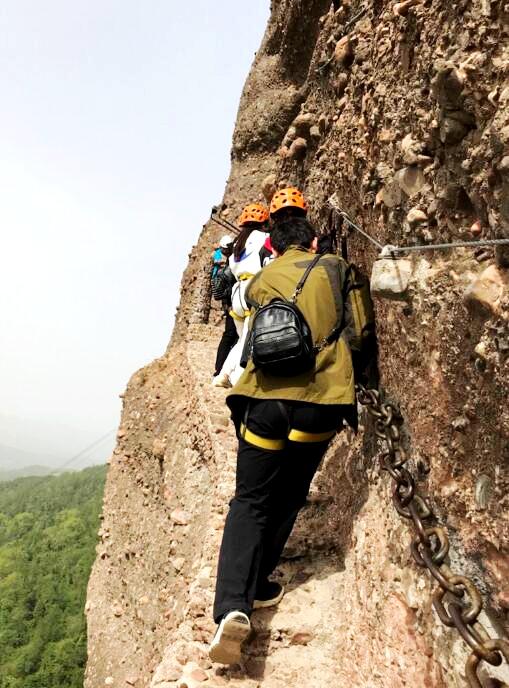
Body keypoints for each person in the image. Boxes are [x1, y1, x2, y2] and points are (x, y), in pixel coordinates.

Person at [209, 215, 376, 664]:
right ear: (315, 240)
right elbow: (359, 333)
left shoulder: (264, 277)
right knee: (290, 492)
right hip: (319, 403)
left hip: (264, 401)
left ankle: (231, 608)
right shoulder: (336, 267)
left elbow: (242, 319)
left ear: (276, 249)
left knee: (249, 501)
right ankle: (261, 583)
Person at [212, 203, 269, 388]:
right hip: (254, 289)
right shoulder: (266, 238)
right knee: (246, 339)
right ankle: (236, 380)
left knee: (242, 337)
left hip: (238, 294)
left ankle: (223, 373)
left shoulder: (237, 243)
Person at [211, 236, 239, 384]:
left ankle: (221, 370)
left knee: (231, 337)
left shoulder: (226, 264)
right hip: (233, 305)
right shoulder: (230, 266)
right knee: (231, 337)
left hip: (232, 305)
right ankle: (221, 370)